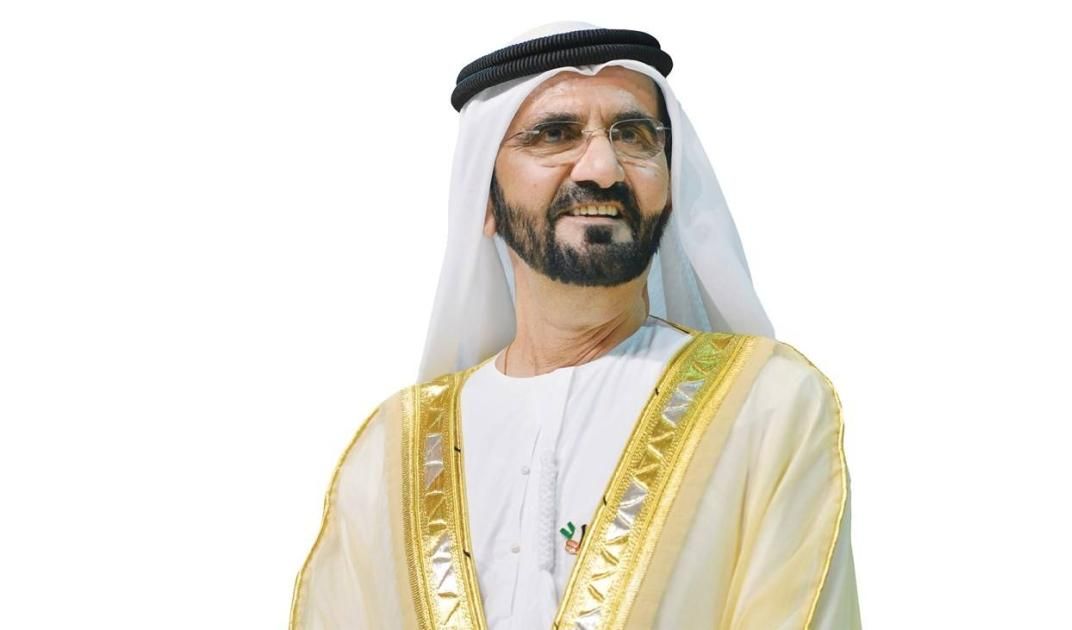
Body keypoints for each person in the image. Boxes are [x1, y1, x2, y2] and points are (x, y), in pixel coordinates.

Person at [290, 21, 861, 630]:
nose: (603, 169)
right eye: (555, 134)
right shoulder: (390, 453)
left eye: (634, 136)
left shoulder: (766, 404)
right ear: (484, 199)